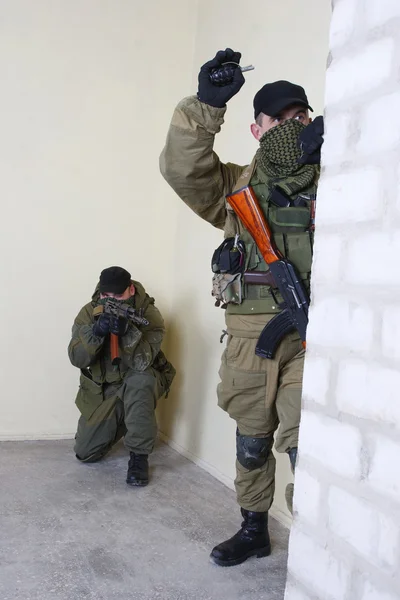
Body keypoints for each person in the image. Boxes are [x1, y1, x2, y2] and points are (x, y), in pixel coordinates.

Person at [159, 48, 324, 567]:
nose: (294, 126)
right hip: (251, 338)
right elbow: (184, 169)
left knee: (310, 444)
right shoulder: (235, 189)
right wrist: (206, 106)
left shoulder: (334, 182)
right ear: (258, 130)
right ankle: (254, 527)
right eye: (281, 119)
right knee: (252, 438)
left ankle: (321, 542)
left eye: (302, 117)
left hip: (314, 334)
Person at [68, 266, 175, 487]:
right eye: (107, 296)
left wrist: (129, 333)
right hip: (107, 389)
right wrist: (96, 333)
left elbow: (142, 362)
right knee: (85, 452)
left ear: (131, 290)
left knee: (140, 381)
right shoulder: (89, 312)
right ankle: (130, 418)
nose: (112, 300)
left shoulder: (148, 314)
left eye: (118, 295)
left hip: (140, 380)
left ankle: (138, 456)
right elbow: (77, 358)